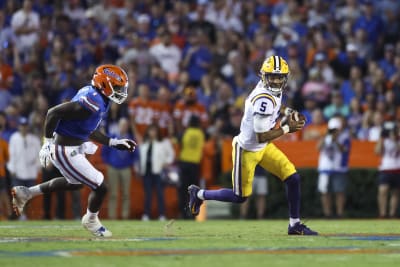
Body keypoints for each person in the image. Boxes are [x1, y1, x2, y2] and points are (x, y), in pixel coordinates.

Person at [188, 56, 318, 235]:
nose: (275, 81)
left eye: (279, 77)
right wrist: (287, 128)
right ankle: (200, 194)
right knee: (239, 197)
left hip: (263, 147)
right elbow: (261, 136)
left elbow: (276, 105)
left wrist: (288, 111)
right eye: (272, 77)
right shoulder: (263, 98)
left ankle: (294, 224)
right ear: (264, 76)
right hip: (248, 149)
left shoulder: (270, 91)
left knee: (293, 177)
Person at [11, 64, 136, 237]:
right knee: (101, 186)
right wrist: (46, 143)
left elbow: (88, 129)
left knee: (74, 183)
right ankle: (91, 220)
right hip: (64, 149)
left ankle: (26, 193)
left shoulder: (98, 97)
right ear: (104, 84)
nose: (121, 91)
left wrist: (114, 142)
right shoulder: (93, 100)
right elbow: (53, 113)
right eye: (117, 87)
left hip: (72, 146)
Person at [101, 117, 138, 220]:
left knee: (126, 193)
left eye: (125, 125)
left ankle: (125, 215)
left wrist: (129, 163)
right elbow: (104, 152)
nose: (123, 127)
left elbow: (135, 154)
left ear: (127, 127)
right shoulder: (112, 137)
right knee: (113, 193)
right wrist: (108, 163)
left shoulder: (131, 139)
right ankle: (112, 216)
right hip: (113, 168)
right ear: (118, 126)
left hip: (126, 168)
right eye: (121, 125)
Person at [139, 124, 175, 221]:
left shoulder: (164, 142)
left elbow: (171, 155)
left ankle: (162, 214)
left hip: (158, 172)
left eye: (154, 131)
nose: (152, 133)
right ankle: (146, 214)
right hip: (146, 172)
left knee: (160, 194)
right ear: (148, 132)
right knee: (148, 194)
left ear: (157, 132)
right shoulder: (144, 143)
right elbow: (140, 157)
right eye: (151, 131)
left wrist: (166, 163)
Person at [317, 116, 351, 218]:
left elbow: (344, 150)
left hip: (338, 167)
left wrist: (335, 140)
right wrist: (326, 137)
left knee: (339, 191)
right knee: (324, 192)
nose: (334, 131)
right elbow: (318, 147)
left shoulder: (345, 137)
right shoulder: (325, 137)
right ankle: (327, 214)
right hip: (325, 167)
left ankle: (340, 213)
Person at [7, 117, 41, 220]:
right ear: (19, 127)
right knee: (18, 195)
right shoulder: (14, 138)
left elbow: (38, 155)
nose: (24, 128)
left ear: (28, 127)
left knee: (28, 195)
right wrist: (12, 169)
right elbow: (11, 155)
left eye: (25, 126)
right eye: (22, 126)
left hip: (30, 172)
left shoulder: (34, 139)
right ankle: (20, 215)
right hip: (17, 171)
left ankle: (25, 214)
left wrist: (38, 167)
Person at [375, 122, 400, 218]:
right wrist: (381, 138)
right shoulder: (383, 140)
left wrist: (394, 139)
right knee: (382, 190)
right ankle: (382, 213)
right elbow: (377, 152)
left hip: (397, 168)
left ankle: (392, 214)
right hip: (385, 168)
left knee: (395, 192)